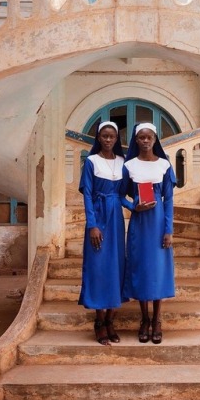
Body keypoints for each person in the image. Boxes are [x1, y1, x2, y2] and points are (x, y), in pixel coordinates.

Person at [122, 123, 176, 344]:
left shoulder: (164, 165)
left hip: (158, 226)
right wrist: (133, 206)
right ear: (136, 140)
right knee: (141, 270)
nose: (145, 141)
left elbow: (169, 200)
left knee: (158, 271)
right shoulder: (129, 166)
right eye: (141, 137)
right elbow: (118, 196)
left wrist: (168, 230)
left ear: (155, 139)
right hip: (139, 225)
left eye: (149, 137)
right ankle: (144, 319)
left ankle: (157, 320)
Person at [78, 121, 125, 345]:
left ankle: (110, 321)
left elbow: (125, 194)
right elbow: (87, 194)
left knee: (116, 267)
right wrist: (92, 225)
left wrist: (138, 207)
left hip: (116, 219)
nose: (108, 140)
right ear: (98, 138)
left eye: (112, 137)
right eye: (104, 136)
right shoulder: (91, 161)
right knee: (98, 268)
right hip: (98, 216)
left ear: (117, 139)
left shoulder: (122, 162)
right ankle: (99, 322)